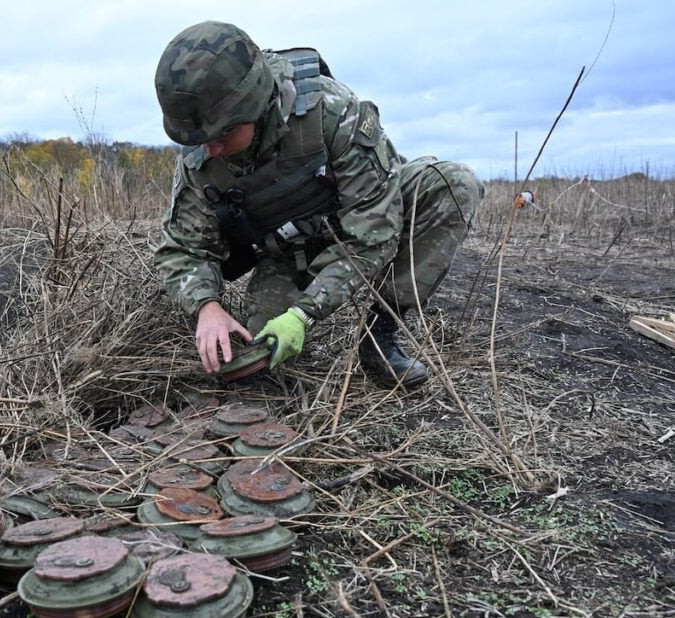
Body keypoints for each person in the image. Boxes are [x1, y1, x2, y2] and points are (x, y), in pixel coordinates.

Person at [152, 21, 485, 388]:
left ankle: (381, 333)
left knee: (452, 185)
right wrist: (206, 306)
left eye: (223, 133)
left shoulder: (330, 111)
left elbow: (375, 230)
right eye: (201, 139)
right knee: (262, 361)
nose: (211, 148)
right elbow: (183, 249)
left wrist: (305, 313)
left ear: (256, 104)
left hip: (358, 225)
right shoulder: (202, 159)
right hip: (288, 254)